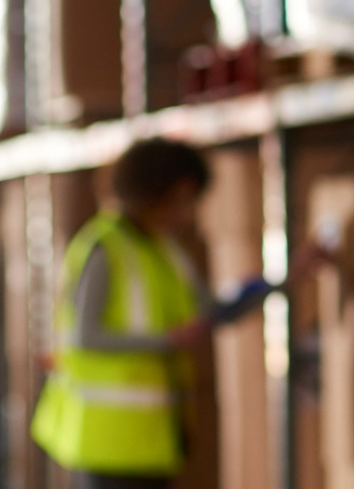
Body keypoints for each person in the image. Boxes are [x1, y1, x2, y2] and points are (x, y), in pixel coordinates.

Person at [29, 139, 325, 489]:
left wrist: (285, 280)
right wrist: (167, 340)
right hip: (106, 444)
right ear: (167, 193)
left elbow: (213, 312)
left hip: (154, 442)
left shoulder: (165, 251)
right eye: (186, 201)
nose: (188, 214)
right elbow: (85, 338)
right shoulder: (103, 248)